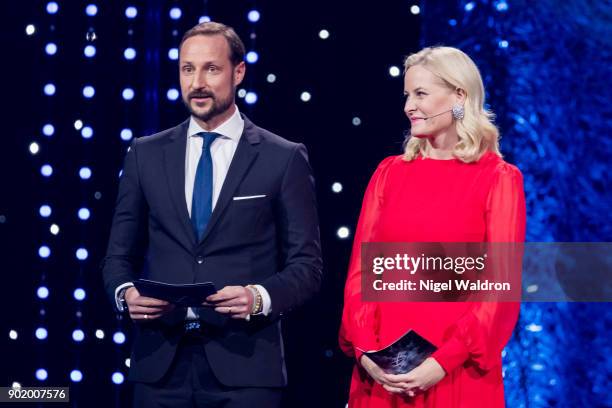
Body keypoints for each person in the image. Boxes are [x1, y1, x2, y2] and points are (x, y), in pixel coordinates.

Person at [101, 21, 322, 407]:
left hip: (246, 368)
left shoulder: (282, 157)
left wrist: (259, 297)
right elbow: (117, 256)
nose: (197, 82)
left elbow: (307, 266)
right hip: (159, 369)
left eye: (211, 68)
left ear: (238, 72)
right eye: (188, 69)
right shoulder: (145, 154)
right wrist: (125, 293)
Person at [339, 46, 526, 407]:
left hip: (455, 374)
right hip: (381, 376)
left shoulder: (498, 180)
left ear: (459, 95)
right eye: (407, 95)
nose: (409, 106)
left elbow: (500, 291)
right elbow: (360, 275)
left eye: (420, 94)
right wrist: (365, 350)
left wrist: (443, 361)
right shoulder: (389, 174)